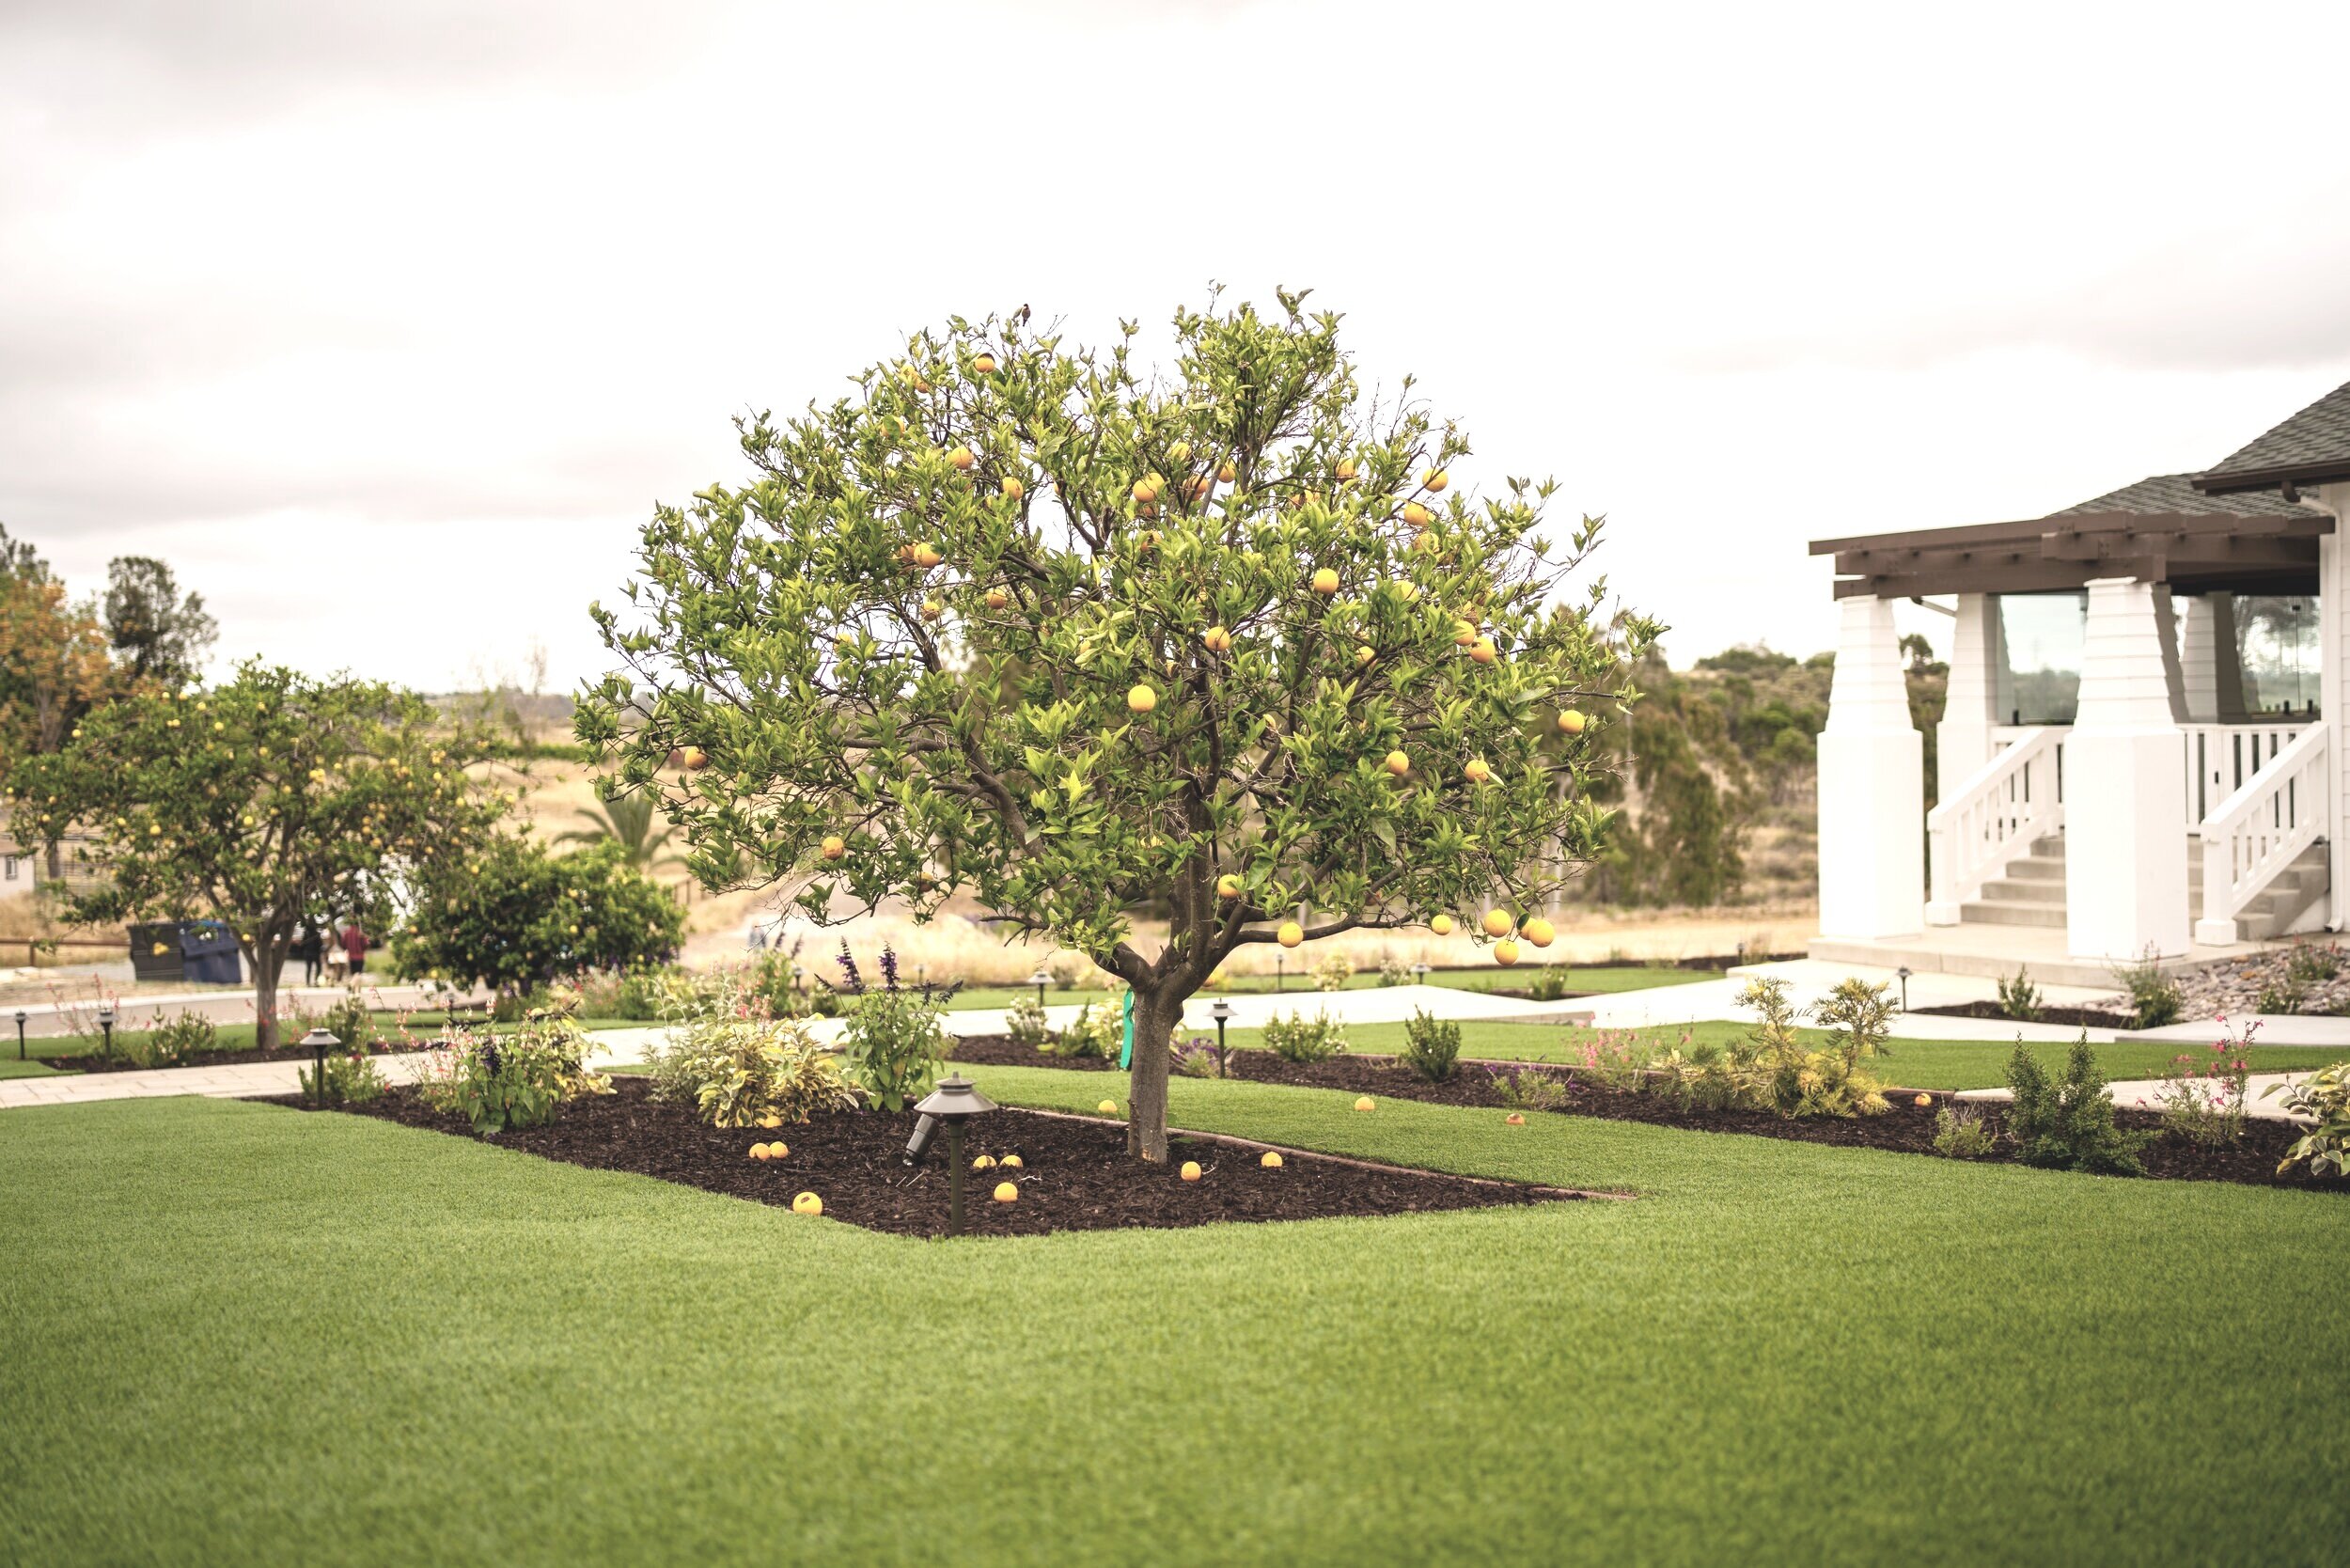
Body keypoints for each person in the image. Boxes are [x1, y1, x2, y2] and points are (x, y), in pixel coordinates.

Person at [295, 920, 323, 986]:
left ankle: (308, 982)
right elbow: (320, 944)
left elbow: (302, 944)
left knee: (309, 968)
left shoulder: (306, 934)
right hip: (314, 953)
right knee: (318, 967)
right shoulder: (316, 934)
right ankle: (315, 981)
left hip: (308, 953)